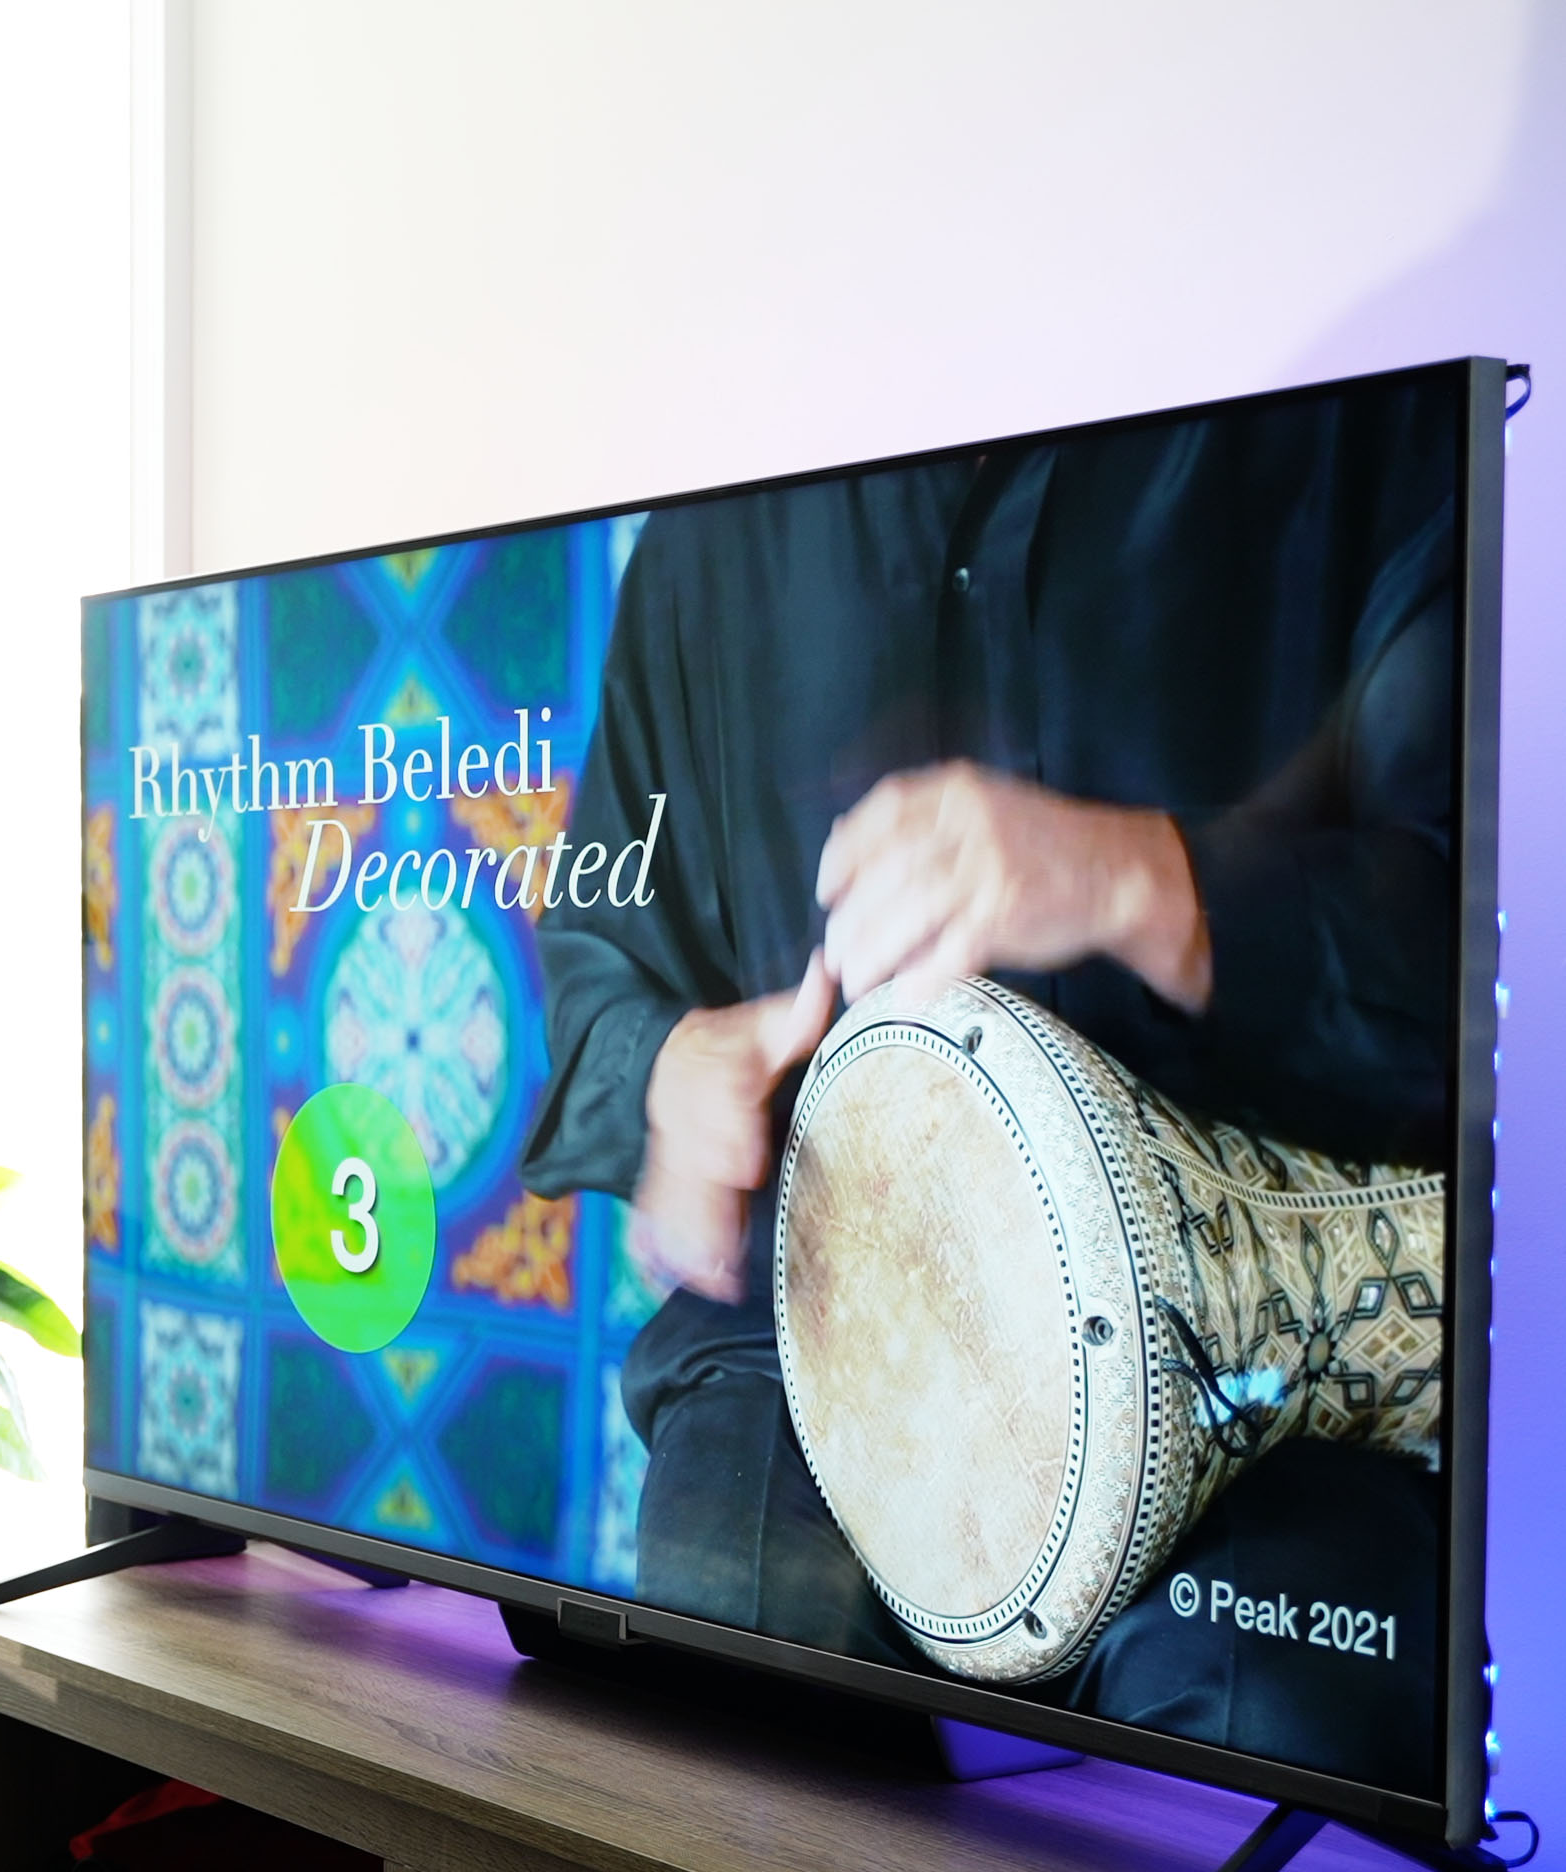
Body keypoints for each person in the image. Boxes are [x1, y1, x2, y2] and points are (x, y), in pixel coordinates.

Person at [519, 376, 1464, 1792]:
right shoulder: (709, 552)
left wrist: (1151, 879)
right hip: (813, 1355)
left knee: (1269, 1748)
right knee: (721, 1680)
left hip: (1264, 1385)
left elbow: (1477, 963)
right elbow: (598, 959)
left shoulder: (1366, 437)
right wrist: (664, 1070)